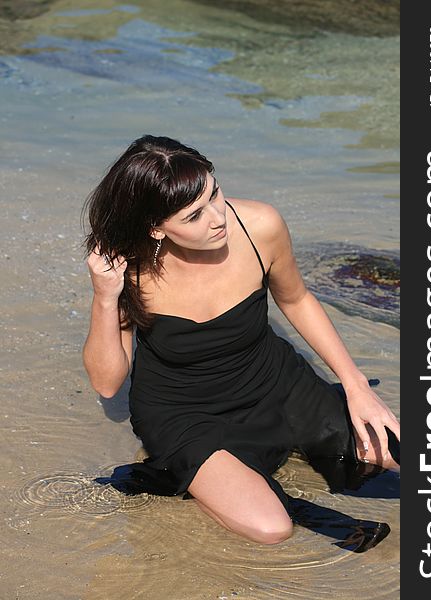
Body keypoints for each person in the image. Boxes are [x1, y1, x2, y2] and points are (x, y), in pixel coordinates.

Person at [82, 135, 400, 546]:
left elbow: (297, 299)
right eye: (194, 216)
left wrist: (356, 387)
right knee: (271, 528)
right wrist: (105, 297)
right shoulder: (130, 267)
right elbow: (107, 383)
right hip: (185, 412)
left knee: (402, 457)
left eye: (215, 193)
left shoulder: (259, 226)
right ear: (155, 228)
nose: (217, 217)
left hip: (274, 382)